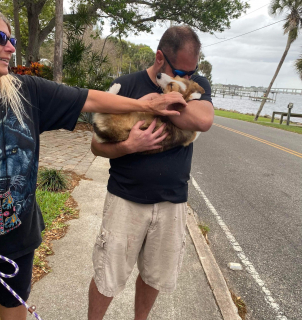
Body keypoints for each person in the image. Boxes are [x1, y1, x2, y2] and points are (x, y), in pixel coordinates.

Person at [0, 5, 187, 320]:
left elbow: (88, 98)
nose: (10, 46)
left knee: (14, 307)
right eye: (0, 37)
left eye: (13, 39)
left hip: (17, 233)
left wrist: (146, 103)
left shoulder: (26, 92)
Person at [89, 26, 214, 320]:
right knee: (108, 274)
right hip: (125, 199)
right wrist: (129, 145)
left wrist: (160, 103)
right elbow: (96, 145)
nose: (187, 79)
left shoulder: (196, 82)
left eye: (192, 72)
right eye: (181, 71)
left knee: (154, 275)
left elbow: (204, 120)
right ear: (160, 58)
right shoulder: (126, 85)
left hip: (172, 202)